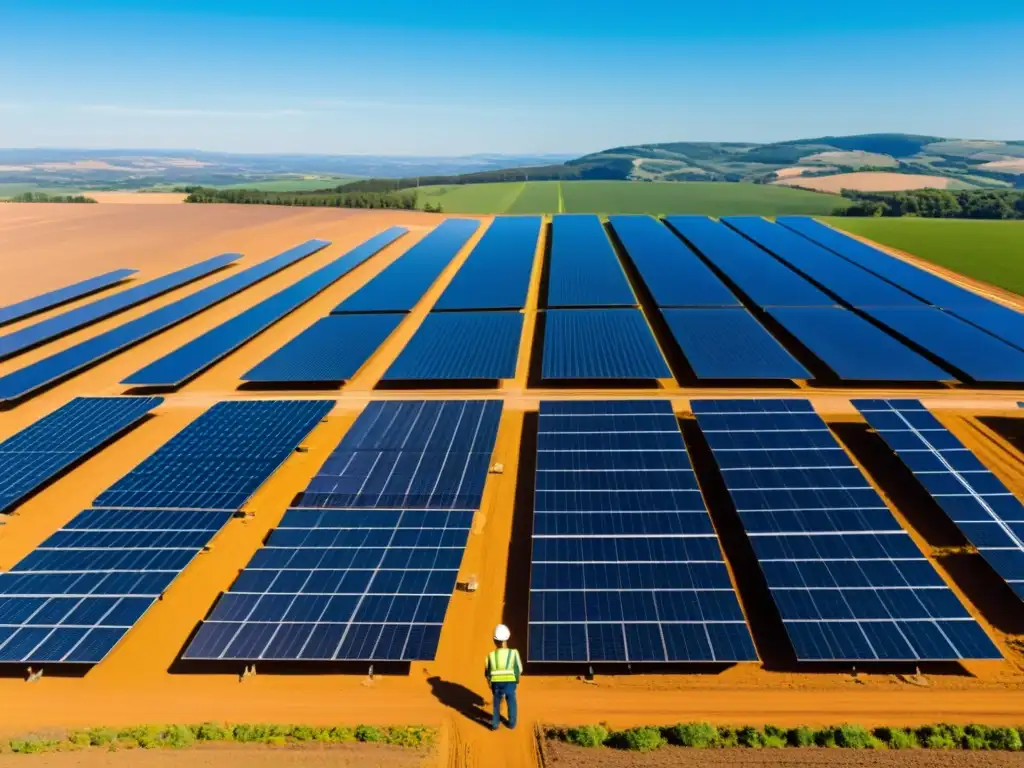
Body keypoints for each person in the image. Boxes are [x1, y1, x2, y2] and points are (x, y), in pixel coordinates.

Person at [484, 624, 522, 731]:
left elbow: (487, 672)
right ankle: (512, 723)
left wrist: (490, 683)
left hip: (496, 683)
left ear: (494, 640)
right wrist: (516, 681)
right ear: (507, 638)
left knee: (496, 702)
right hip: (510, 682)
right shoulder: (514, 653)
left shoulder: (491, 655)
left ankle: (495, 724)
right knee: (511, 700)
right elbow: (518, 669)